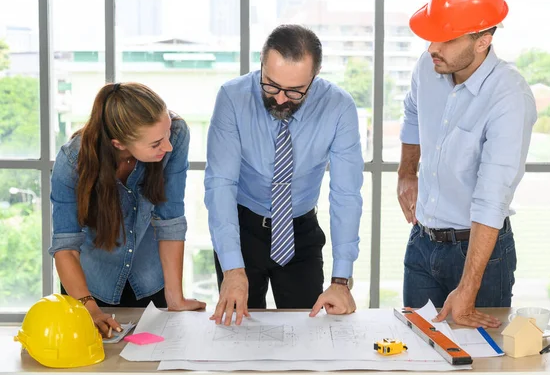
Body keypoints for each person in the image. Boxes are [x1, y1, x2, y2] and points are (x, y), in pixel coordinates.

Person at [396, 0, 537, 328]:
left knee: (478, 361)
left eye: (445, 39)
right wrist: (406, 172)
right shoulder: (428, 67)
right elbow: (412, 113)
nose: (431, 48)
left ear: (482, 41)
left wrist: (468, 287)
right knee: (419, 353)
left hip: (480, 257)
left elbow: (492, 198)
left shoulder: (509, 97)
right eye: (431, 37)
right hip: (422, 243)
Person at [204, 24, 364, 326]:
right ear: (262, 65)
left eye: (294, 92)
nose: (279, 99)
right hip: (242, 230)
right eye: (270, 86)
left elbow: (346, 194)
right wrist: (232, 269)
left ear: (314, 78)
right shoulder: (232, 98)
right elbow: (221, 184)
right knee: (241, 338)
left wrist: (341, 281)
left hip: (299, 234)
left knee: (307, 334)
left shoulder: (339, 107)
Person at [49, 82, 205, 338]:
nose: (167, 147)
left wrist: (175, 298)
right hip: (89, 287)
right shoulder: (71, 162)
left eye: (166, 134)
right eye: (156, 143)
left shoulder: (175, 135)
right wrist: (90, 309)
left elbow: (170, 220)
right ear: (119, 143)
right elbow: (65, 246)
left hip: (149, 278)